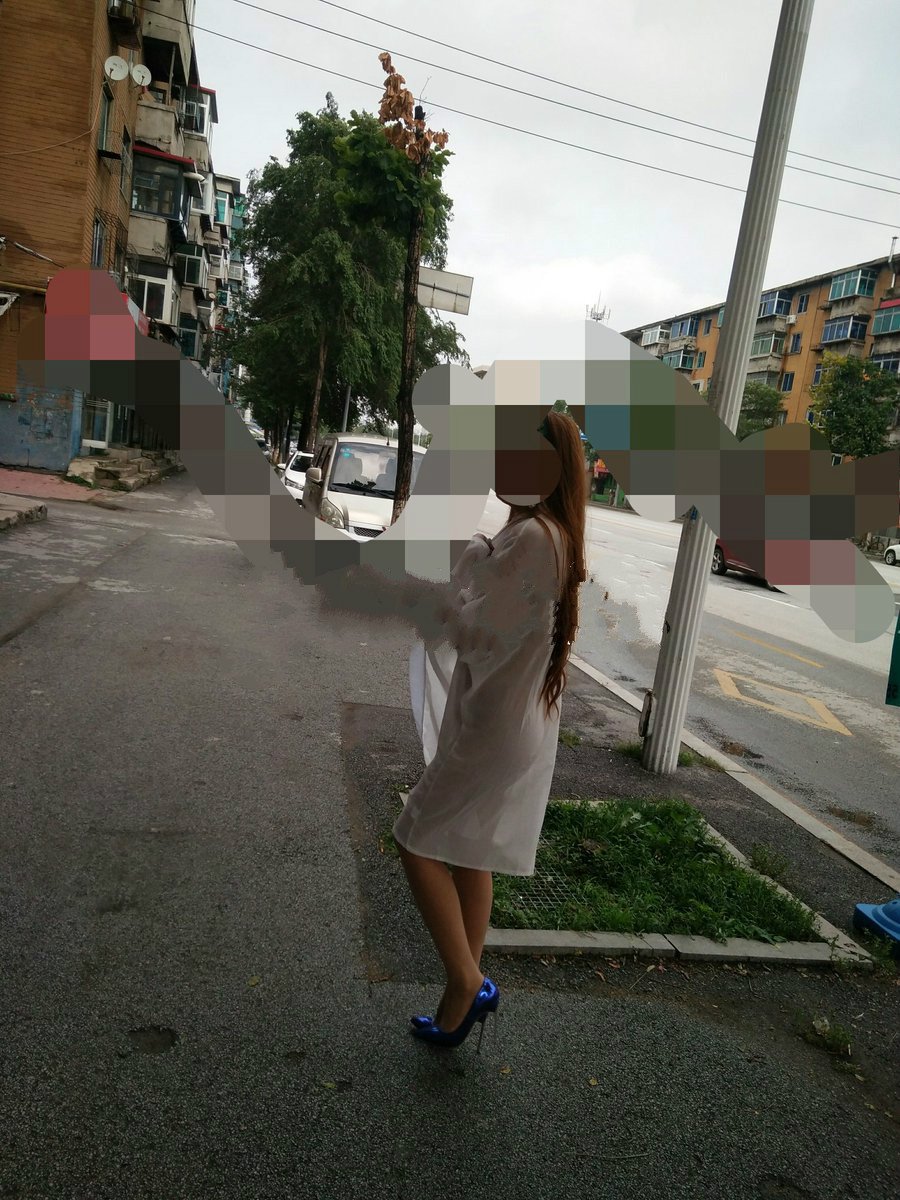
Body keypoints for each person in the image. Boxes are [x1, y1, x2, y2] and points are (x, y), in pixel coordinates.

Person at [318, 410, 588, 1050]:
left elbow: (469, 631)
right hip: (502, 717)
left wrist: (446, 580)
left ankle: (466, 980)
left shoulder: (536, 538)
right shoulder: (534, 531)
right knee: (470, 849)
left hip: (494, 727)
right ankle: (461, 994)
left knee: (415, 838)